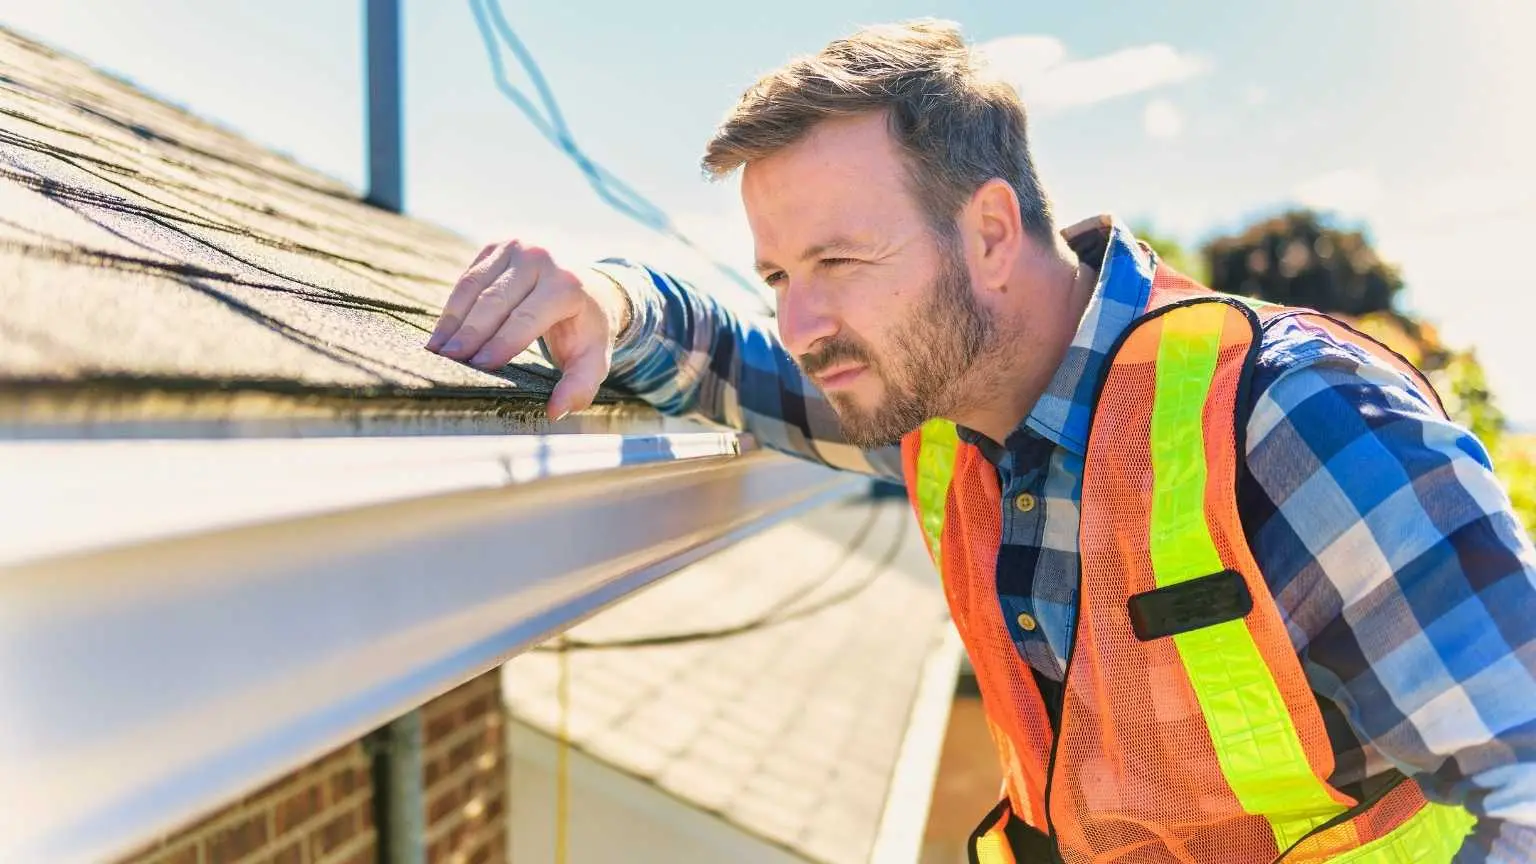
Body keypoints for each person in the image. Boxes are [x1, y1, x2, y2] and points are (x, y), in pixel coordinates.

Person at [427, 19, 1535, 863]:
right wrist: (608, 301)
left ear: (992, 233)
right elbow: (734, 362)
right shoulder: (943, 420)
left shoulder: (1291, 417)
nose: (799, 325)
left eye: (838, 264)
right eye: (778, 276)